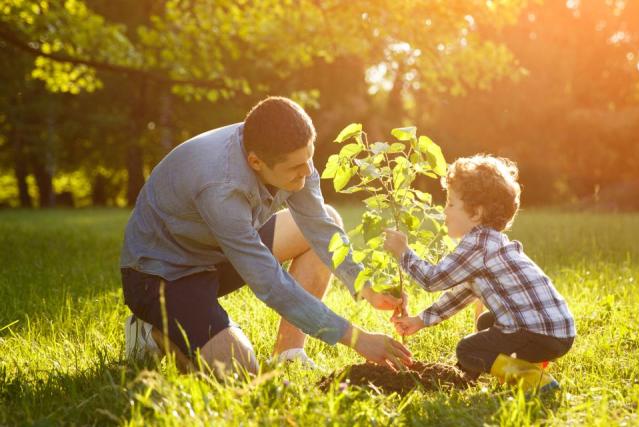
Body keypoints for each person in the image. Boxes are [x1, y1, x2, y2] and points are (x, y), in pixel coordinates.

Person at [120, 96, 411, 376]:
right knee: (239, 370)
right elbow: (271, 284)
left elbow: (320, 228)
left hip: (217, 249)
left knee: (329, 218)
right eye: (296, 167)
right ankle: (151, 331)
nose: (309, 171)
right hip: (163, 274)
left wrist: (366, 287)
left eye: (309, 158)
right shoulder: (221, 186)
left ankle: (289, 355)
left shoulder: (289, 154)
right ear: (256, 162)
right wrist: (358, 339)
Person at [385, 155, 575, 392]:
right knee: (486, 322)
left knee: (468, 349)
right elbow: (462, 294)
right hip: (557, 331)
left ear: (476, 213)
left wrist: (403, 253)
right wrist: (421, 320)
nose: (444, 211)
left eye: (451, 204)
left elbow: (432, 280)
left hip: (538, 333)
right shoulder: (490, 243)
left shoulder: (477, 244)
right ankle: (466, 377)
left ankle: (534, 381)